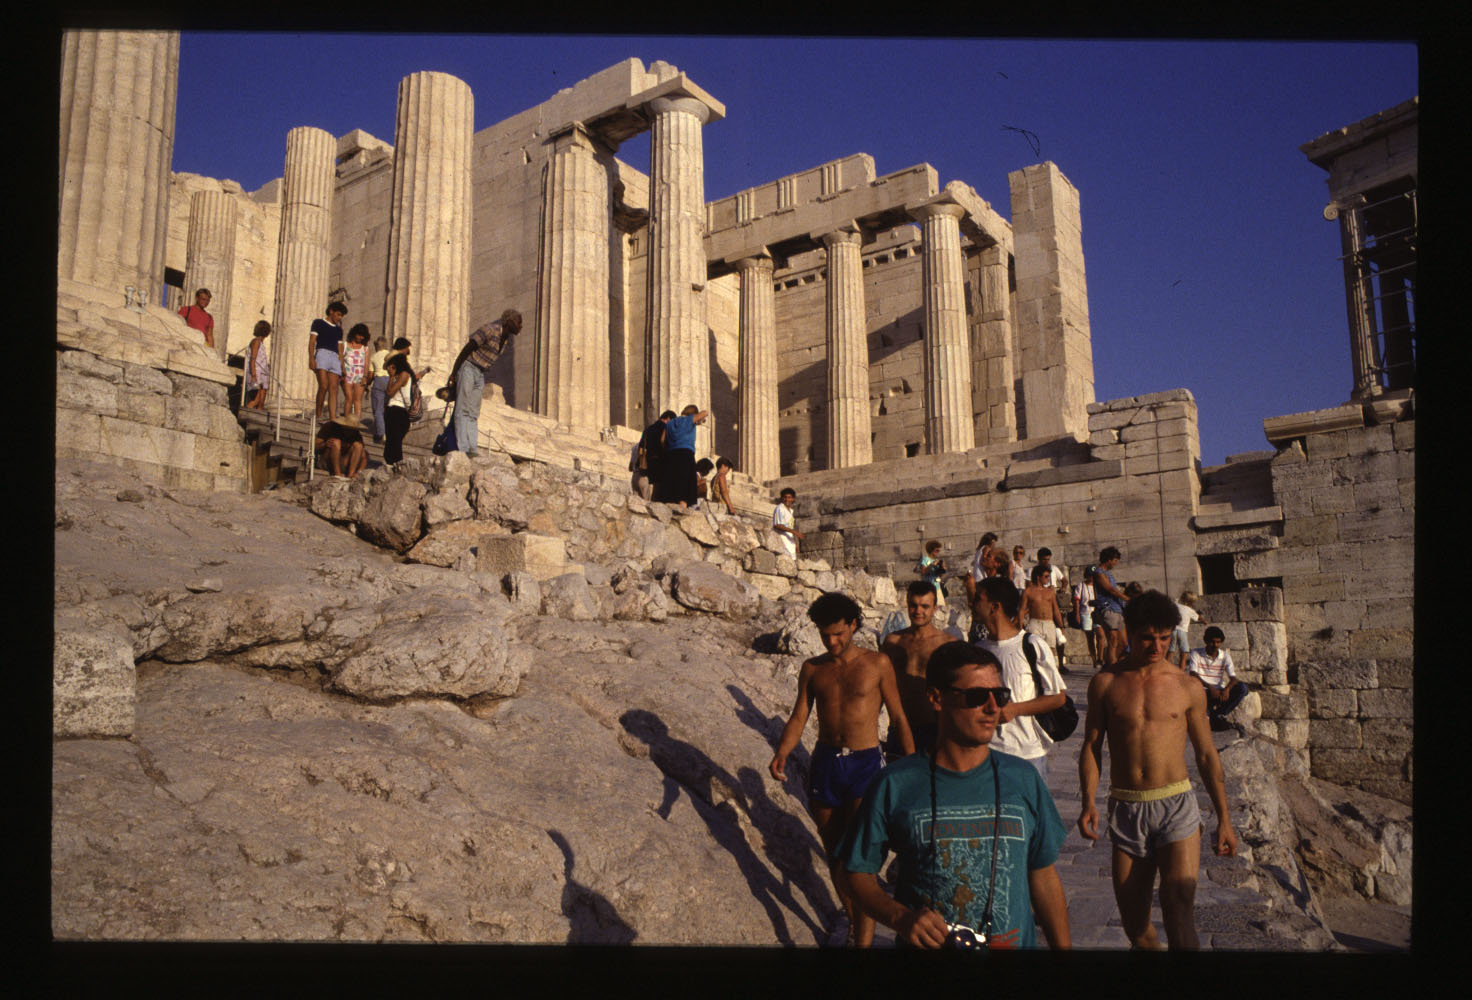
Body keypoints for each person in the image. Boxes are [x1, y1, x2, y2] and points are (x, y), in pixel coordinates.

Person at [836, 640, 1071, 950]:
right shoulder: (895, 783)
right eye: (976, 697)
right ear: (936, 698)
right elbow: (856, 872)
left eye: (999, 696)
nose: (993, 708)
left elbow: (1042, 874)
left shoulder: (1023, 778)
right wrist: (900, 917)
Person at [1077, 590, 1237, 950]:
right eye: (1147, 637)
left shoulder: (1187, 686)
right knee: (1136, 926)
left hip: (1176, 804)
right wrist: (1088, 801)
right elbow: (1091, 746)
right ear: (1130, 633)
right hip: (1127, 807)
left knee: (1178, 910)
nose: (1157, 645)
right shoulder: (1106, 683)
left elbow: (1207, 755)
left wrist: (1224, 818)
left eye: (1165, 637)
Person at [770, 592, 915, 948]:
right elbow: (800, 715)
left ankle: (862, 947)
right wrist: (783, 752)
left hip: (865, 763)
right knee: (835, 854)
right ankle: (853, 921)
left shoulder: (877, 664)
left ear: (852, 625)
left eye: (838, 633)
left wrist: (912, 766)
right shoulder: (813, 668)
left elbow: (898, 717)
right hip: (826, 763)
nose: (832, 642)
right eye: (825, 635)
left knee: (858, 860)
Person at [973, 577, 1068, 779]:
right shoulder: (977, 651)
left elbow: (1058, 697)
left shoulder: (1032, 645)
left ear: (994, 606)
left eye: (978, 598)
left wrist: (1015, 709)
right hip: (986, 754)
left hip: (1026, 754)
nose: (972, 604)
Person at [880, 581, 961, 757]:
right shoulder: (893, 642)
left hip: (935, 727)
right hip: (900, 726)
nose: (918, 611)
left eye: (924, 606)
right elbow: (881, 684)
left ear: (934, 609)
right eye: (913, 605)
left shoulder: (948, 644)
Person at [447, 310, 523, 459]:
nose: (521, 326)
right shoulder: (489, 330)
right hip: (468, 368)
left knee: (474, 412)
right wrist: (454, 373)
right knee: (462, 408)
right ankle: (462, 447)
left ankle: (472, 448)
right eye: (518, 322)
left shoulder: (505, 339)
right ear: (509, 321)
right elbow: (467, 349)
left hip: (480, 374)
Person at [1185, 626, 1247, 730]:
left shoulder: (1225, 656)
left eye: (1218, 642)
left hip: (1220, 693)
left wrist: (1227, 689)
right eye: (1212, 642)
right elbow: (1193, 674)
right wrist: (1210, 687)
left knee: (1243, 688)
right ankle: (1209, 715)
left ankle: (1219, 713)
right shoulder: (1196, 653)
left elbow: (1233, 678)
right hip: (1203, 692)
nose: (1215, 645)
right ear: (1206, 641)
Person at [661, 404, 708, 510]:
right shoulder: (689, 420)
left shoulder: (670, 423)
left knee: (673, 481)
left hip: (672, 454)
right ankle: (683, 508)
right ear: (693, 414)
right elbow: (705, 412)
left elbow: (662, 440)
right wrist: (698, 419)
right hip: (686, 454)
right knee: (685, 483)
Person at [308, 301, 348, 422]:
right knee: (323, 385)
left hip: (335, 357)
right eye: (338, 314)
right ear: (331, 311)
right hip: (322, 354)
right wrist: (311, 358)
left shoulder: (339, 330)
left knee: (334, 388)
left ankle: (332, 418)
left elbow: (340, 349)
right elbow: (312, 342)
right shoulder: (318, 323)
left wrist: (343, 366)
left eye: (341, 316)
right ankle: (318, 414)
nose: (339, 318)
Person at [1022, 565, 1067, 669]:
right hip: (1034, 623)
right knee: (1034, 651)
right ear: (1038, 577)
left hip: (1049, 623)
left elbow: (1055, 610)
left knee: (1051, 651)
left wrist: (1061, 626)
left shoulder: (1050, 592)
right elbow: (1022, 610)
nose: (1048, 579)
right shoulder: (1028, 591)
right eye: (1046, 576)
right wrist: (1020, 625)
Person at [1091, 547, 1128, 666]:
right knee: (1113, 639)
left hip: (1117, 609)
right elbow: (1110, 589)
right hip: (1108, 608)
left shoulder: (1108, 574)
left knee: (1123, 642)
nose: (1116, 563)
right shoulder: (1099, 573)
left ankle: (1114, 665)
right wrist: (1127, 598)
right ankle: (1110, 668)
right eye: (1115, 560)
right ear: (1109, 559)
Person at [633, 410, 674, 502]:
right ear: (668, 419)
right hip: (659, 463)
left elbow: (641, 445)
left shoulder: (648, 429)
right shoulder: (665, 428)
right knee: (656, 492)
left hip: (646, 463)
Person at [382, 353, 414, 465]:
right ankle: (390, 466)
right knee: (390, 443)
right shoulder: (396, 376)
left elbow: (390, 392)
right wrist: (391, 377)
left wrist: (391, 377)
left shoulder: (404, 374)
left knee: (395, 443)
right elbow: (388, 393)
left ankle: (396, 466)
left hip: (399, 412)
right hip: (391, 411)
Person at [342, 323, 371, 425]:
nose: (360, 337)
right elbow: (341, 359)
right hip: (348, 374)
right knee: (349, 398)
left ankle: (356, 423)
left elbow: (366, 363)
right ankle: (346, 421)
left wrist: (365, 376)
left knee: (357, 400)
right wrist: (342, 372)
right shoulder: (345, 345)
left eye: (362, 335)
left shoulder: (365, 348)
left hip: (360, 375)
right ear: (354, 333)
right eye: (358, 334)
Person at [1074, 566, 1101, 670]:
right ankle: (1094, 661)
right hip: (1086, 612)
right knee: (1090, 638)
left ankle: (1100, 658)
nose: (1092, 578)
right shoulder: (1081, 585)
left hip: (1097, 613)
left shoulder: (1098, 586)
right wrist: (1077, 614)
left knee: (1100, 635)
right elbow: (1077, 600)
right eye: (1090, 576)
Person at [1171, 591, 1206, 666]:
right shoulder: (1190, 610)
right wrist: (1204, 621)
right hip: (1182, 632)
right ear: (1190, 603)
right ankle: (1181, 671)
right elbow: (1198, 617)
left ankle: (1165, 669)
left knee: (1171, 650)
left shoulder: (1176, 605)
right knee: (1184, 653)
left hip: (1173, 630)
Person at [963, 531, 998, 603]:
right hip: (981, 576)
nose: (994, 545)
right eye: (994, 542)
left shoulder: (980, 549)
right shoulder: (986, 548)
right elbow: (984, 561)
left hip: (977, 575)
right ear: (991, 541)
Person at [368, 337, 391, 443]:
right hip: (390, 381)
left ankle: (381, 433)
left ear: (377, 346)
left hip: (379, 380)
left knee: (378, 409)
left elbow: (370, 374)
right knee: (388, 408)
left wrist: (367, 384)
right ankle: (389, 432)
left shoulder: (373, 357)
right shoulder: (390, 355)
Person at [243, 320, 270, 411]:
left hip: (263, 372)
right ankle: (247, 411)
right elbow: (253, 359)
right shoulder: (256, 341)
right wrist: (254, 375)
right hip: (257, 372)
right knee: (256, 400)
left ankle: (258, 412)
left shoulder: (261, 344)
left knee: (261, 400)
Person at [772, 488, 801, 557]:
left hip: (790, 543)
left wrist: (796, 544)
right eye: (785, 497)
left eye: (789, 497)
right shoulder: (780, 508)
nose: (787, 499)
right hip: (782, 542)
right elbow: (777, 525)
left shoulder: (791, 511)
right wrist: (794, 532)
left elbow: (791, 527)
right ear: (782, 498)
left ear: (793, 499)